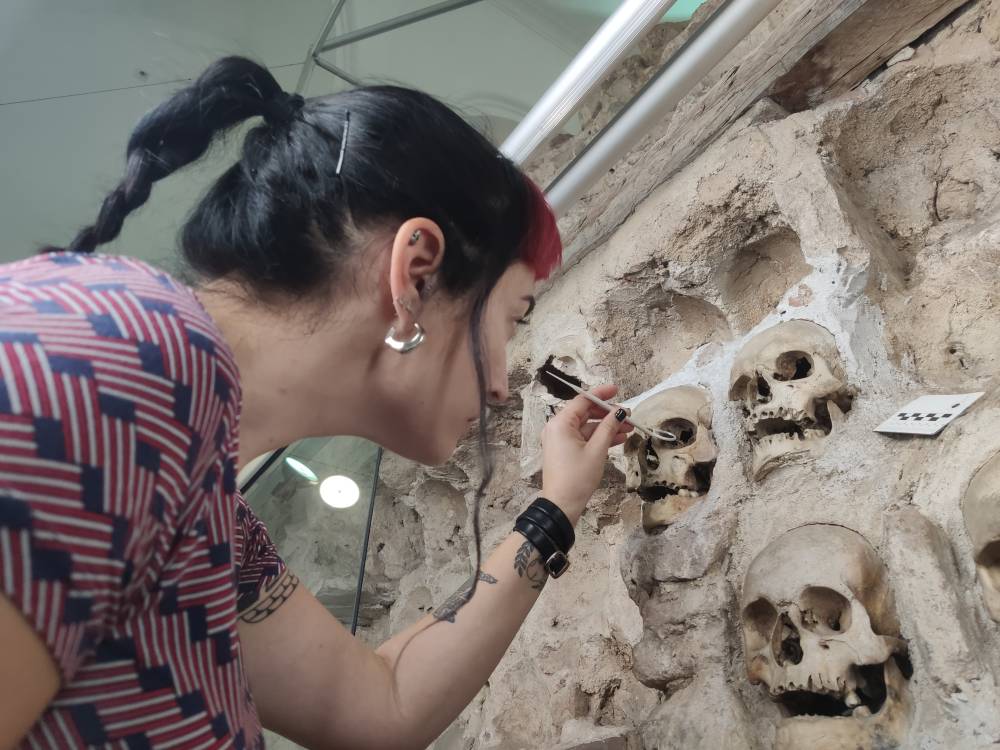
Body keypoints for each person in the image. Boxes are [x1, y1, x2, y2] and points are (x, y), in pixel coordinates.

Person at [0, 57, 632, 749]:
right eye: (511, 319)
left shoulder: (207, 503)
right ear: (416, 272)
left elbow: (379, 707)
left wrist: (558, 504)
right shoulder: (113, 352)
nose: (501, 383)